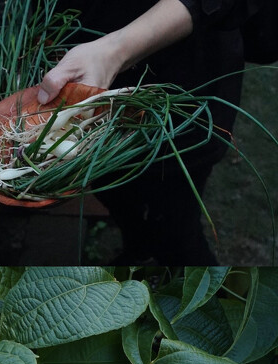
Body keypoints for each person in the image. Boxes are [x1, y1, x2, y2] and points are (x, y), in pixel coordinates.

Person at [31, 0, 264, 263]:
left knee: (175, 222)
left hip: (181, 92)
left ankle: (191, 282)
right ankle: (138, 248)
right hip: (87, 73)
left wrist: (114, 51)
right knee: (114, 190)